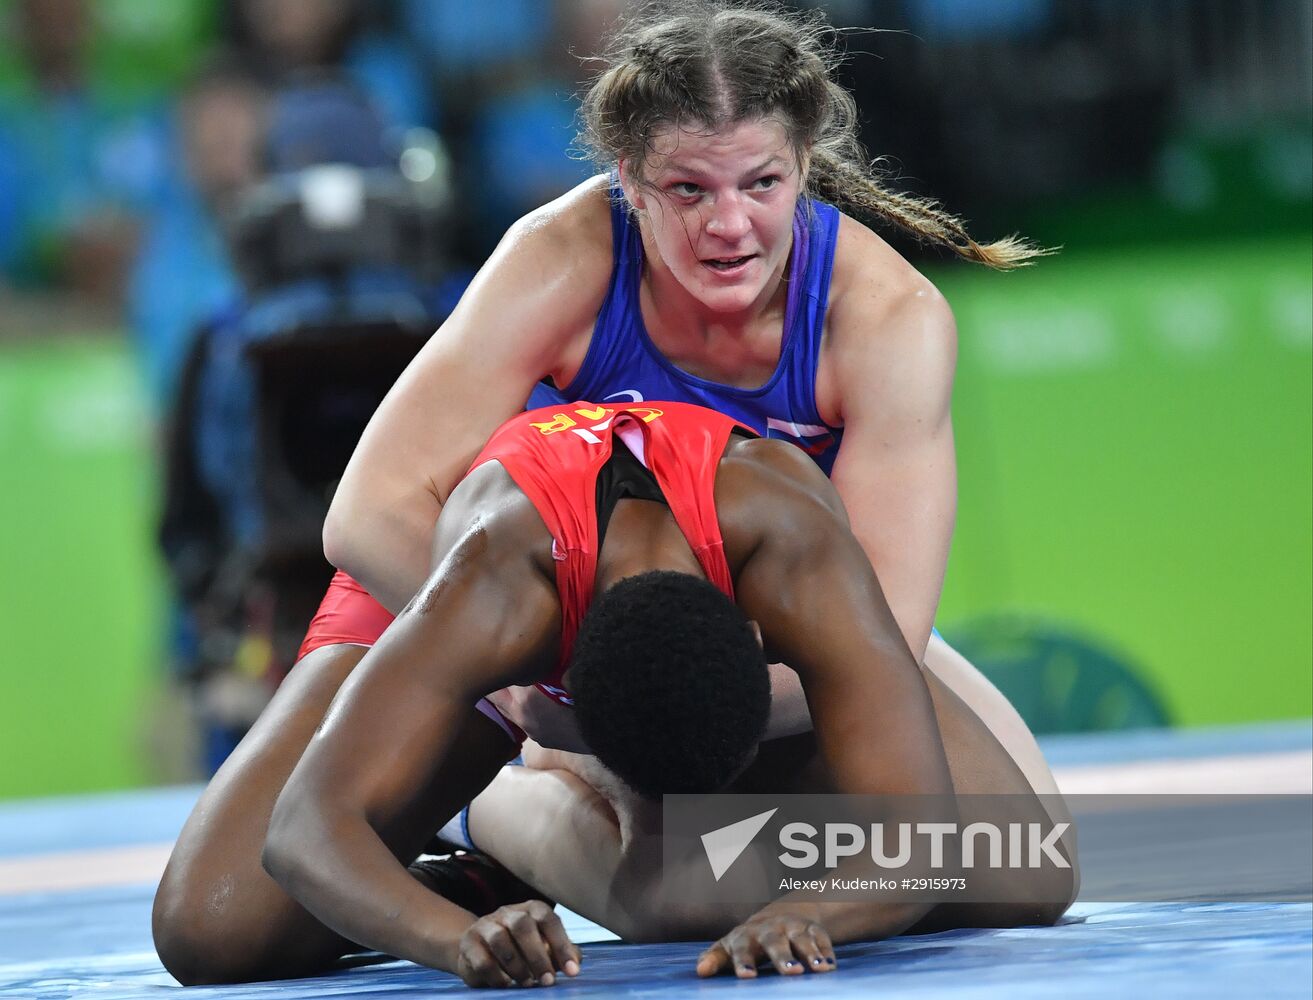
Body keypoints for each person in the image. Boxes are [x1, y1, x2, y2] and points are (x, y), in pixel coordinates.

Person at [155, 400, 1075, 987]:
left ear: (759, 647)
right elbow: (303, 831)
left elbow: (921, 829)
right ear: (563, 721)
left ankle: (530, 844)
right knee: (215, 931)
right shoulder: (489, 594)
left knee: (1022, 869)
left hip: (679, 635)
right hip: (425, 579)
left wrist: (811, 911)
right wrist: (453, 941)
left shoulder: (786, 535)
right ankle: (487, 819)